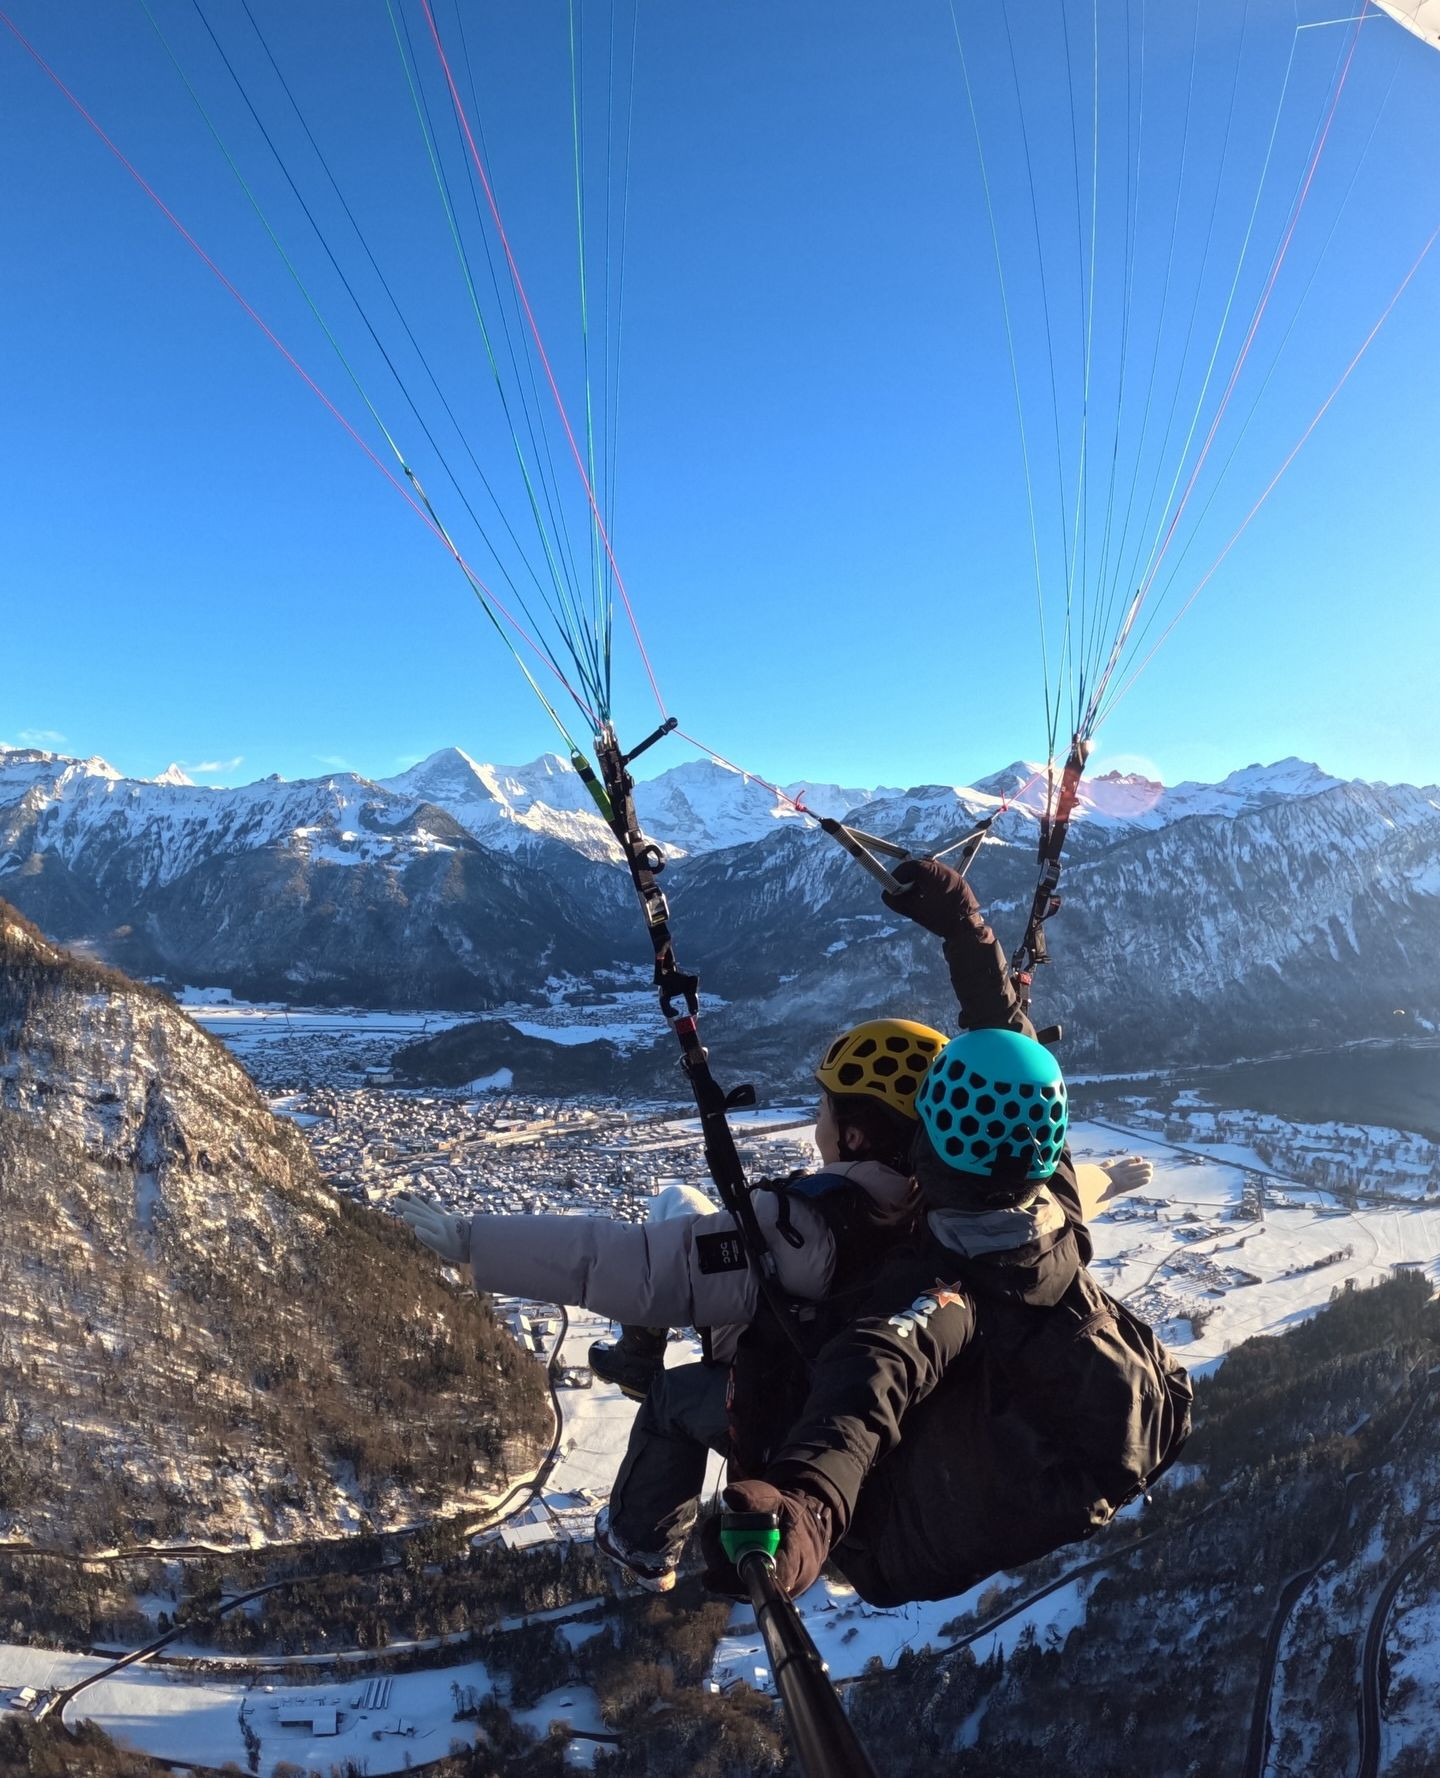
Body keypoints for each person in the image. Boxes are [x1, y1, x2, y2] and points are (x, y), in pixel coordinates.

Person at [700, 862, 1193, 1608]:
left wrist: (802, 1515)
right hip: (1125, 1419)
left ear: (925, 1145)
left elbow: (865, 1394)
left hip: (908, 1538)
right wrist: (967, 931)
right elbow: (1010, 1046)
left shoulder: (938, 1291)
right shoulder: (1048, 1195)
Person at [395, 1015, 948, 1591]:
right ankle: (637, 1353)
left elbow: (635, 1266)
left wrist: (475, 1242)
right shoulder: (937, 1210)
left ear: (853, 1136)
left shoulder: (802, 1227)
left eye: (825, 1106)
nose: (817, 1117)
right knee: (676, 1202)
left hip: (792, 1416)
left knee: (671, 1398)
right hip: (876, 1405)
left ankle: (642, 1545)